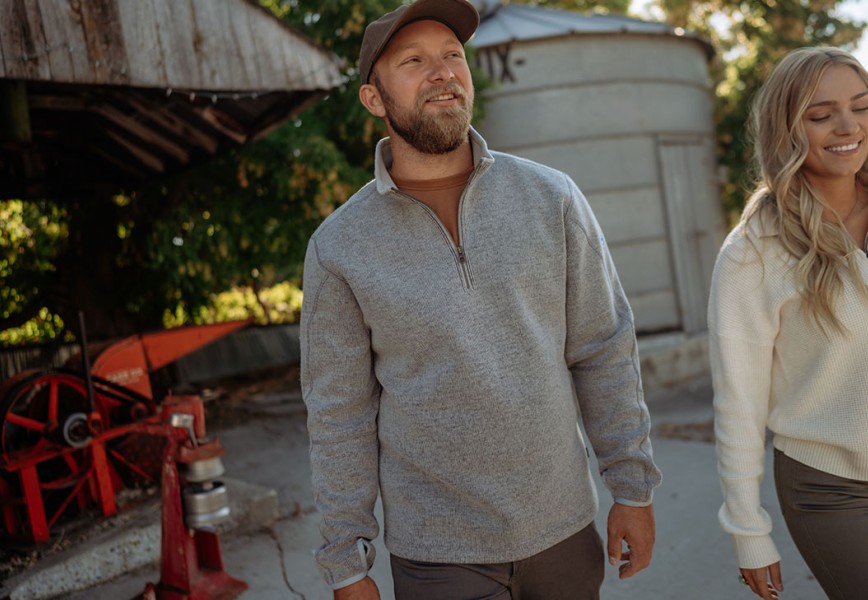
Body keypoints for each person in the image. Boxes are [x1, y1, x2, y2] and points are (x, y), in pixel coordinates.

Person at [300, 0, 662, 598]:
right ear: (374, 98)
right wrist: (347, 562)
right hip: (437, 549)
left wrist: (632, 487)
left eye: (452, 56)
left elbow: (604, 347)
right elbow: (339, 414)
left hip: (563, 530)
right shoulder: (340, 246)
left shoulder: (552, 198)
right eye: (414, 61)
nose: (442, 72)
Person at [708, 46, 868, 600]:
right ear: (787, 128)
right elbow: (739, 400)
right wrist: (748, 529)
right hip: (831, 487)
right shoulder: (753, 251)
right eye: (821, 115)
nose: (847, 126)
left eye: (861, 106)